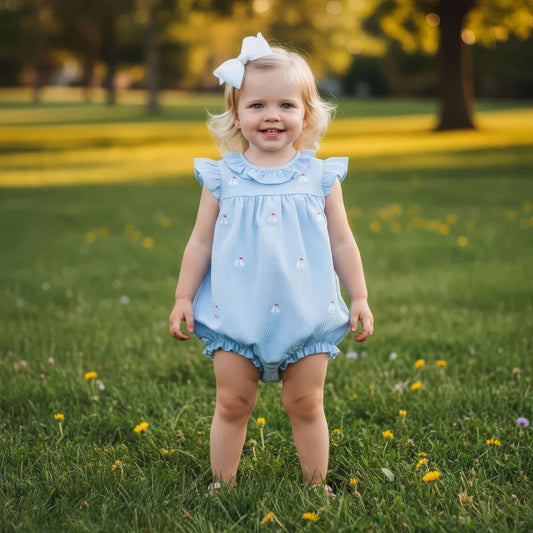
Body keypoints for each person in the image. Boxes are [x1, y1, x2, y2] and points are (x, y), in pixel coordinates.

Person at [169, 33, 373, 496]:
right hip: (236, 314)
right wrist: (184, 296)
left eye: (286, 105)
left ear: (307, 114)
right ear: (237, 114)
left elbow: (343, 242)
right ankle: (223, 484)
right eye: (257, 105)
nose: (272, 116)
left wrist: (358, 295)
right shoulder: (222, 176)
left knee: (306, 403)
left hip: (307, 312)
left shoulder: (321, 176)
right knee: (233, 402)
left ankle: (315, 485)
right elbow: (199, 243)